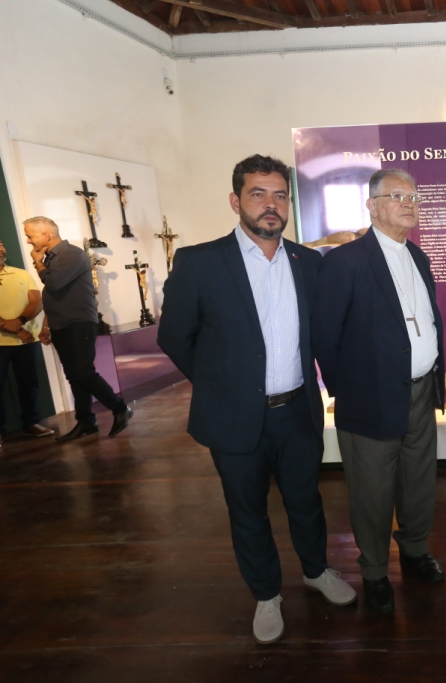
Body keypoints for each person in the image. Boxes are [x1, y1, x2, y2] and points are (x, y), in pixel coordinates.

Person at [158, 154, 354, 645]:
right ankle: (267, 594)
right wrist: (220, 384)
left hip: (298, 411)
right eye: (258, 194)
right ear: (236, 201)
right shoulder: (200, 262)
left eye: (280, 195)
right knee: (247, 510)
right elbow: (175, 336)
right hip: (233, 416)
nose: (271, 205)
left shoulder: (308, 263)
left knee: (306, 501)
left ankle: (316, 570)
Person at [312, 169, 446, 615]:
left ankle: (415, 549)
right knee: (372, 492)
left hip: (420, 393)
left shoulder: (418, 257)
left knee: (418, 482)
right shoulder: (345, 261)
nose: (408, 202)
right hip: (369, 398)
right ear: (372, 206)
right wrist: (348, 391)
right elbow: (325, 335)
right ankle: (373, 571)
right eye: (396, 196)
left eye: (413, 196)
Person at [23, 217, 132, 441]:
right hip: (60, 323)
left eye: (30, 236)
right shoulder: (52, 257)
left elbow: (53, 282)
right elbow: (53, 294)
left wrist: (37, 263)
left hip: (79, 322)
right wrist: (46, 324)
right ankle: (86, 421)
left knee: (83, 372)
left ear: (46, 235)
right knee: (73, 375)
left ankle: (120, 408)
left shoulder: (72, 254)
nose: (28, 241)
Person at [0, 239, 54, 447]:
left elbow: (37, 302)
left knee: (29, 383)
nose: (1, 249)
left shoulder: (21, 273)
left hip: (27, 341)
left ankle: (31, 423)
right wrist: (17, 329)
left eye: (2, 244)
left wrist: (21, 321)